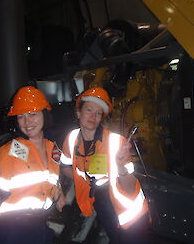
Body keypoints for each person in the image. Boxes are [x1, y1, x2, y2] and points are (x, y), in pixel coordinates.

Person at [60, 87, 149, 244]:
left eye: (99, 113)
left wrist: (121, 168)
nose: (93, 116)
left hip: (129, 209)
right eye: (89, 110)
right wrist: (84, 180)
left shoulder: (116, 142)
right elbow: (66, 167)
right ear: (78, 113)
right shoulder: (71, 139)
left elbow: (130, 186)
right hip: (99, 198)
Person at [0, 86, 66, 244]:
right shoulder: (9, 152)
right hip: (10, 230)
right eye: (21, 116)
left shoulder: (52, 148)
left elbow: (47, 178)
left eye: (33, 114)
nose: (27, 122)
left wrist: (59, 193)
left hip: (38, 226)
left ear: (44, 114)